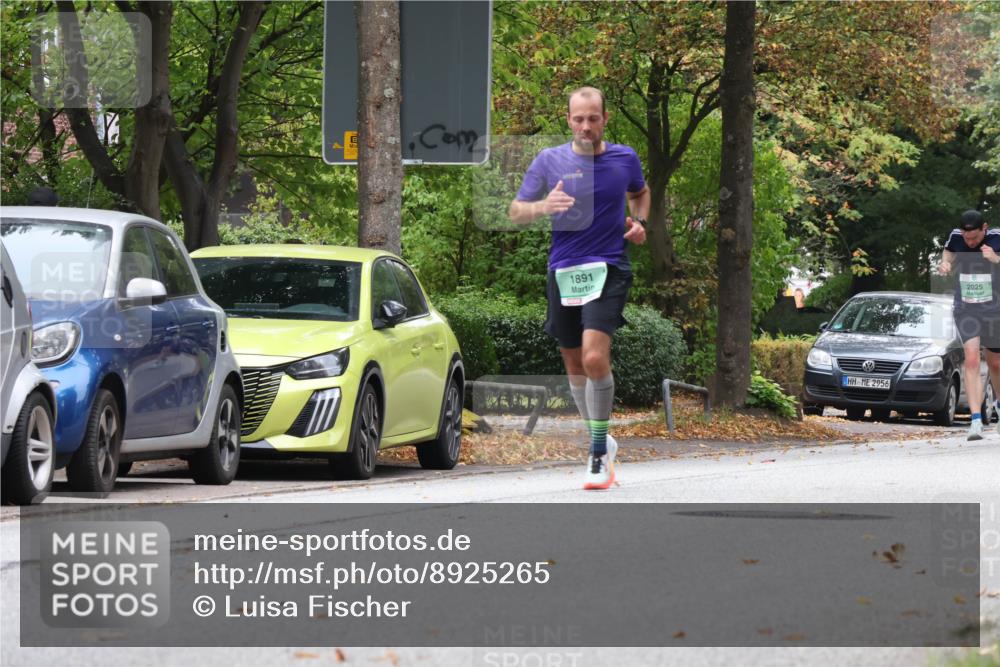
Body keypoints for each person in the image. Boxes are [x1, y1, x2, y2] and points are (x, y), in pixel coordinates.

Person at [508, 86, 651, 489]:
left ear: (605, 119)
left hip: (609, 268)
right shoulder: (549, 160)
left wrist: (641, 224)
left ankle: (596, 453)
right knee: (573, 365)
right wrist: (542, 207)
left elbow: (640, 193)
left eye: (593, 118)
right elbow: (517, 210)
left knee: (592, 357)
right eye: (578, 118)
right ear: (568, 119)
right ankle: (600, 438)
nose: (585, 125)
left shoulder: (625, 158)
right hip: (564, 270)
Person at [938, 209, 1000, 440]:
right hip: (967, 309)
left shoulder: (997, 237)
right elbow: (948, 252)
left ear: (984, 228)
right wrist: (945, 264)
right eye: (967, 238)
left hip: (995, 310)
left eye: (974, 238)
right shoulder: (956, 237)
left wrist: (996, 259)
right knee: (972, 358)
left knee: (995, 362)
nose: (970, 242)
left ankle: (999, 404)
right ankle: (975, 420)